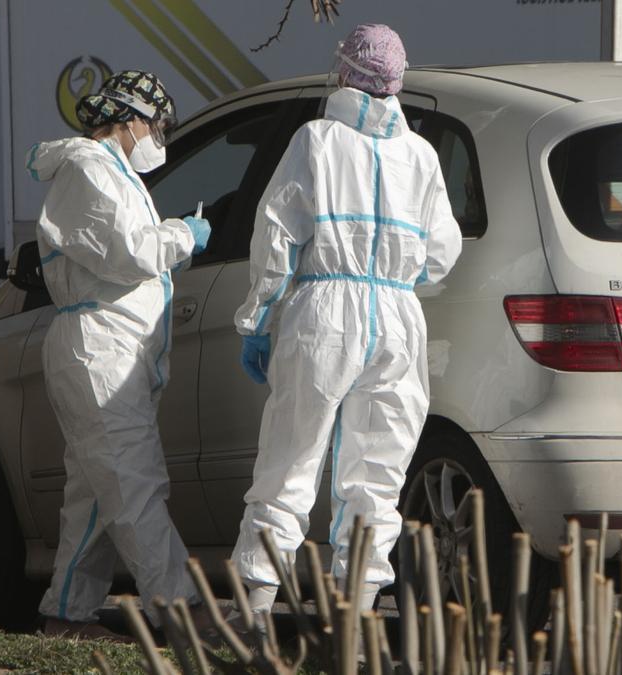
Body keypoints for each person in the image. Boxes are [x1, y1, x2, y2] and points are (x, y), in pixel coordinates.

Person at [231, 23, 462, 623]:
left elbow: (278, 232)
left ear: (346, 75)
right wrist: (394, 277)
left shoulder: (316, 140)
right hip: (397, 319)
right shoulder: (422, 155)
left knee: (289, 465)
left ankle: (253, 612)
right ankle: (354, 622)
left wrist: (257, 316)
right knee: (377, 478)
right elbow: (441, 253)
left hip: (323, 315)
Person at [28, 70, 212, 640]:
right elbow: (129, 251)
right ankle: (185, 612)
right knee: (133, 486)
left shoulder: (112, 173)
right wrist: (183, 235)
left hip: (109, 350)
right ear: (130, 118)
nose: (159, 136)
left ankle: (65, 613)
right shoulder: (89, 168)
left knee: (94, 495)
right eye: (156, 124)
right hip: (98, 351)